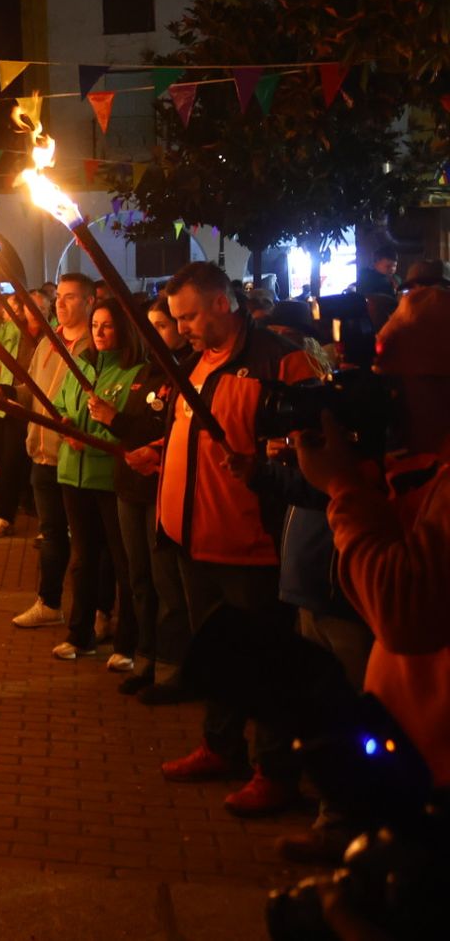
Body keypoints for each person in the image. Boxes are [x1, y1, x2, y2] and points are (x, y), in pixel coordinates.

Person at [154, 261, 316, 817]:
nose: (184, 328)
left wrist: (267, 467)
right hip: (194, 538)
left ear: (223, 302)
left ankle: (276, 770)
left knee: (265, 661)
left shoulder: (280, 362)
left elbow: (312, 452)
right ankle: (221, 746)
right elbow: (189, 431)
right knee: (218, 656)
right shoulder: (195, 363)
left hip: (250, 545)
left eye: (191, 316)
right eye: (177, 319)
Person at [295, 285, 450, 792]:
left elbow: (402, 611)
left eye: (391, 385)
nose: (385, 400)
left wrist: (342, 486)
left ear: (435, 383)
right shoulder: (423, 467)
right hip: (414, 757)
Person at [97, 294, 193, 704]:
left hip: (159, 488)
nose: (156, 334)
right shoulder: (143, 373)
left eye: (165, 326)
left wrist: (116, 421)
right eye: (150, 326)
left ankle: (173, 669)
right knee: (138, 580)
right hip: (129, 486)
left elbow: (162, 430)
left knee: (165, 582)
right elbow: (135, 429)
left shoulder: (184, 375)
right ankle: (145, 659)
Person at [51, 301, 144, 661]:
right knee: (83, 559)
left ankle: (127, 642)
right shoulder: (81, 367)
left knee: (122, 563)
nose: (99, 332)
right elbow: (59, 404)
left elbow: (135, 431)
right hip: (73, 473)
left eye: (107, 325)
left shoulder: (135, 373)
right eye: (95, 325)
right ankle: (80, 634)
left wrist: (107, 427)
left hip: (109, 477)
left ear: (123, 329)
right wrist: (66, 425)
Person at [12, 274, 96, 629]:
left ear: (89, 302)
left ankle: (95, 612)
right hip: (42, 454)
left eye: (70, 297)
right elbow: (31, 390)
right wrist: (6, 393)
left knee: (88, 544)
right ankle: (49, 602)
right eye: (59, 296)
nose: (60, 303)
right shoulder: (48, 343)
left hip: (76, 459)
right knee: (51, 535)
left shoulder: (97, 346)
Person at [0, 290, 34, 538]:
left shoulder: (44, 337)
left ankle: (43, 516)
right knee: (10, 462)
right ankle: (5, 515)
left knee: (39, 466)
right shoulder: (10, 333)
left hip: (37, 409)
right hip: (10, 405)